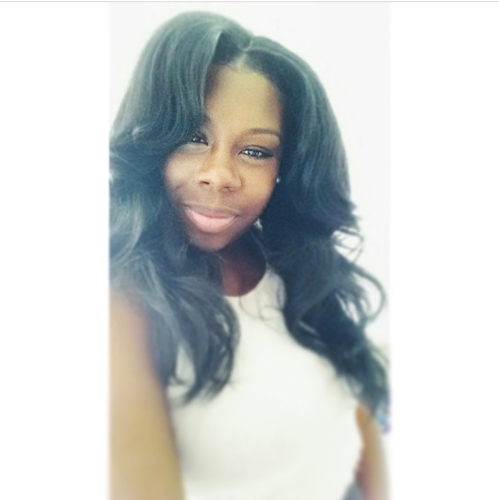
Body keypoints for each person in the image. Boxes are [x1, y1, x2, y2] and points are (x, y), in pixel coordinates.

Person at [110, 11, 389, 500]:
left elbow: (357, 418)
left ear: (286, 166)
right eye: (192, 137)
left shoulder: (291, 262)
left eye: (256, 151)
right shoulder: (120, 305)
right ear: (151, 142)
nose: (219, 175)